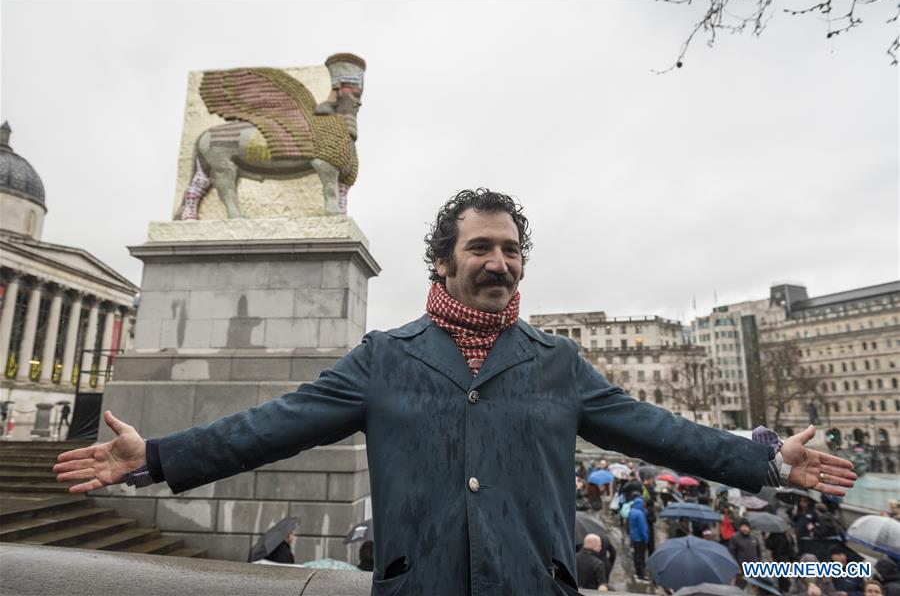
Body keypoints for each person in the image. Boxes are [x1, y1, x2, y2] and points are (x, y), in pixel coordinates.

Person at [53, 189, 858, 596]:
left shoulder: (558, 361)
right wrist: (156, 457)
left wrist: (765, 463)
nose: (499, 262)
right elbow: (276, 424)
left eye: (510, 249)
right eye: (480, 247)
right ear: (442, 262)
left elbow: (656, 429)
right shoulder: (384, 358)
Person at [729, 518, 763, 588]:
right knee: (740, 588)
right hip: (741, 569)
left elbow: (759, 552)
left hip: (753, 567)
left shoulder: (754, 538)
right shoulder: (735, 538)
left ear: (749, 527)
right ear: (740, 527)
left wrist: (759, 563)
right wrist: (736, 566)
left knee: (755, 588)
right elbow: (732, 553)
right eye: (743, 526)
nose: (745, 528)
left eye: (746, 526)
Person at [629, 496, 650, 580]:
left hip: (634, 537)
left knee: (636, 555)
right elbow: (642, 528)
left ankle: (637, 572)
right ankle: (641, 574)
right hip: (640, 538)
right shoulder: (640, 514)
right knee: (641, 556)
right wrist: (646, 538)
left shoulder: (632, 511)